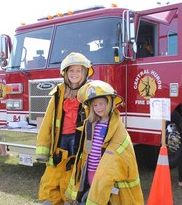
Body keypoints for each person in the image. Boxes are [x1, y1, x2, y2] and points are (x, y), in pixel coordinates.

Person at [66, 80, 144, 204]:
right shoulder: (90, 124)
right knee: (94, 197)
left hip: (104, 173)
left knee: (104, 199)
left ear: (109, 103)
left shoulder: (115, 126)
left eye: (101, 104)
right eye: (95, 105)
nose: (99, 108)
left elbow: (121, 152)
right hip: (90, 170)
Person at [35, 52, 94, 205]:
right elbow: (48, 121)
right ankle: (52, 199)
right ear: (66, 73)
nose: (75, 74)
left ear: (85, 72)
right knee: (56, 170)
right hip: (60, 140)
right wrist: (43, 149)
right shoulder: (59, 93)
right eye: (71, 70)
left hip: (78, 140)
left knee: (73, 172)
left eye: (78, 70)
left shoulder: (91, 91)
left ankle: (70, 200)